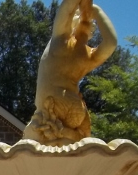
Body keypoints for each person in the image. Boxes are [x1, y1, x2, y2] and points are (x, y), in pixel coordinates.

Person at [23, 0, 117, 146]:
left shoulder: (62, 41)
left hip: (52, 105)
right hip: (75, 111)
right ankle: (75, 135)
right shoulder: (66, 43)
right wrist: (96, 13)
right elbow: (110, 43)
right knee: (78, 144)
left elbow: (67, 8)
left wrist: (93, 10)